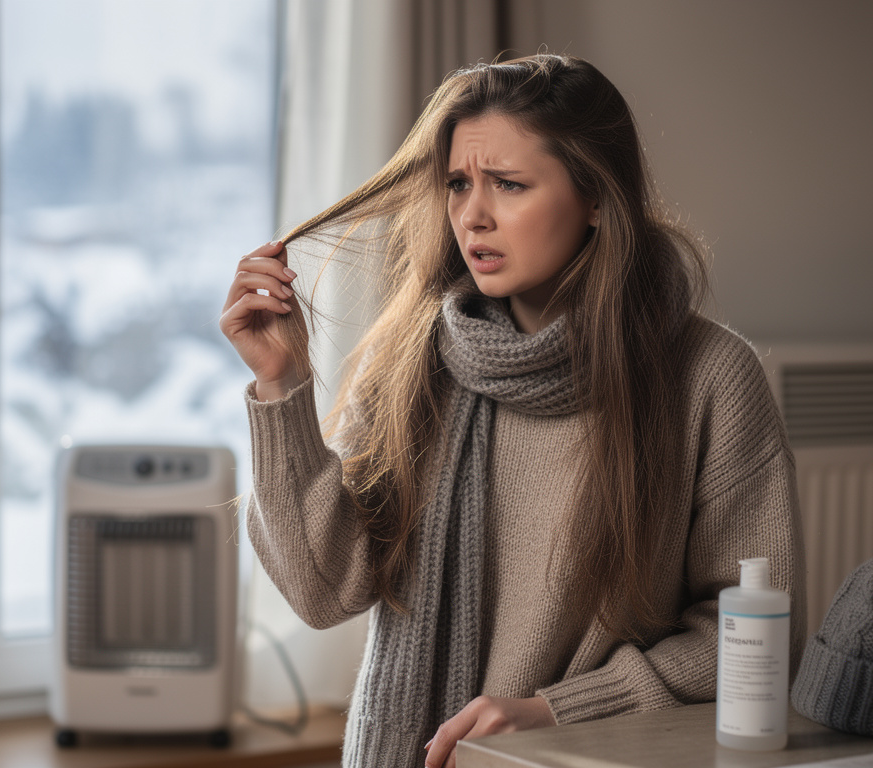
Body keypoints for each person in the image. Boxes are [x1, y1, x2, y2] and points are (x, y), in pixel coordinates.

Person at [220, 53, 805, 768]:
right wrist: (281, 385)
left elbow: (750, 641)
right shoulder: (411, 362)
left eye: (509, 184)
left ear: (596, 198)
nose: (473, 214)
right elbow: (322, 590)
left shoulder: (708, 377)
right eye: (459, 184)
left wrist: (552, 714)